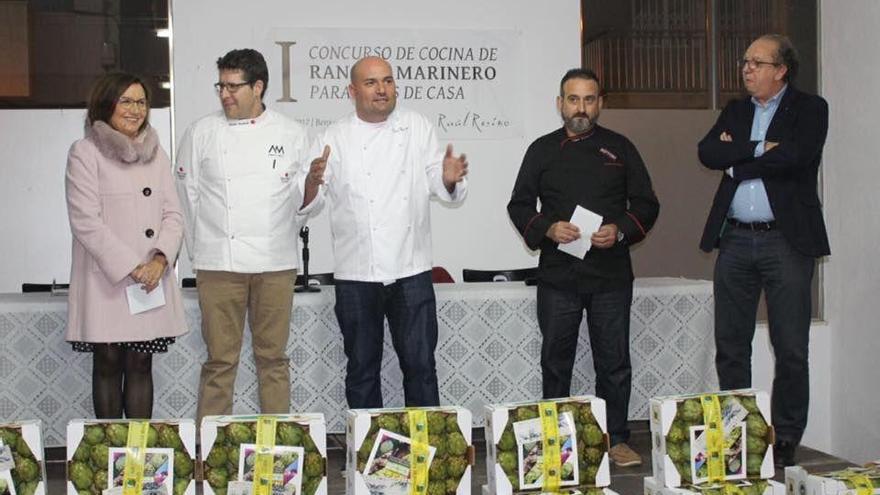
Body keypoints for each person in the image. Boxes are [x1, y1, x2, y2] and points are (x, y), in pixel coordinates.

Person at [507, 68, 659, 467]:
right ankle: (554, 439)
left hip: (610, 275)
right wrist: (548, 227)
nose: (581, 108)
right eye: (573, 99)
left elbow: (646, 205)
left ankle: (617, 438)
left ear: (599, 104)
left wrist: (621, 230)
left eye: (589, 100)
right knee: (556, 360)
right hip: (558, 276)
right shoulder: (541, 150)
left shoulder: (621, 147)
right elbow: (519, 205)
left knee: (614, 362)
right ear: (560, 104)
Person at [300, 56, 468, 408]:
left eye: (388, 81)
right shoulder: (334, 136)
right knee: (362, 370)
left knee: (421, 367)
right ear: (352, 90)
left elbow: (439, 183)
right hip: (356, 274)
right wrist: (311, 183)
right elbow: (310, 204)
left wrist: (449, 178)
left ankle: (425, 454)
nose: (382, 89)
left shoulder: (417, 126)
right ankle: (366, 458)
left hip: (412, 269)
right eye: (372, 82)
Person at [697, 34, 829, 467]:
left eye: (757, 62)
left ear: (781, 70)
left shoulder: (810, 109)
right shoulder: (736, 109)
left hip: (785, 241)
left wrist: (737, 161)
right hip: (734, 239)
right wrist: (754, 149)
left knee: (790, 346)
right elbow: (707, 152)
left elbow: (796, 157)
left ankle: (787, 436)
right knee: (731, 344)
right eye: (745, 61)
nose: (746, 69)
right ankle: (737, 434)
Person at [175, 49, 312, 420]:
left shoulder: (292, 133)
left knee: (273, 359)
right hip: (218, 263)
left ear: (258, 87)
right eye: (221, 85)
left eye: (233, 87)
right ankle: (211, 447)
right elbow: (187, 196)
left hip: (276, 263)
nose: (224, 95)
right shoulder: (200, 132)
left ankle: (278, 451)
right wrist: (200, 251)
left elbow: (306, 201)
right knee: (220, 361)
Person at [65, 72, 187, 419]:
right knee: (107, 362)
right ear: (106, 105)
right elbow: (85, 221)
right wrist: (133, 268)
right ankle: (108, 457)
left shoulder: (156, 152)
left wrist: (161, 260)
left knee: (140, 363)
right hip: (107, 279)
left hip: (150, 278)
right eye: (126, 101)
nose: (136, 110)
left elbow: (173, 214)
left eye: (141, 102)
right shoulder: (85, 153)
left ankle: (140, 456)